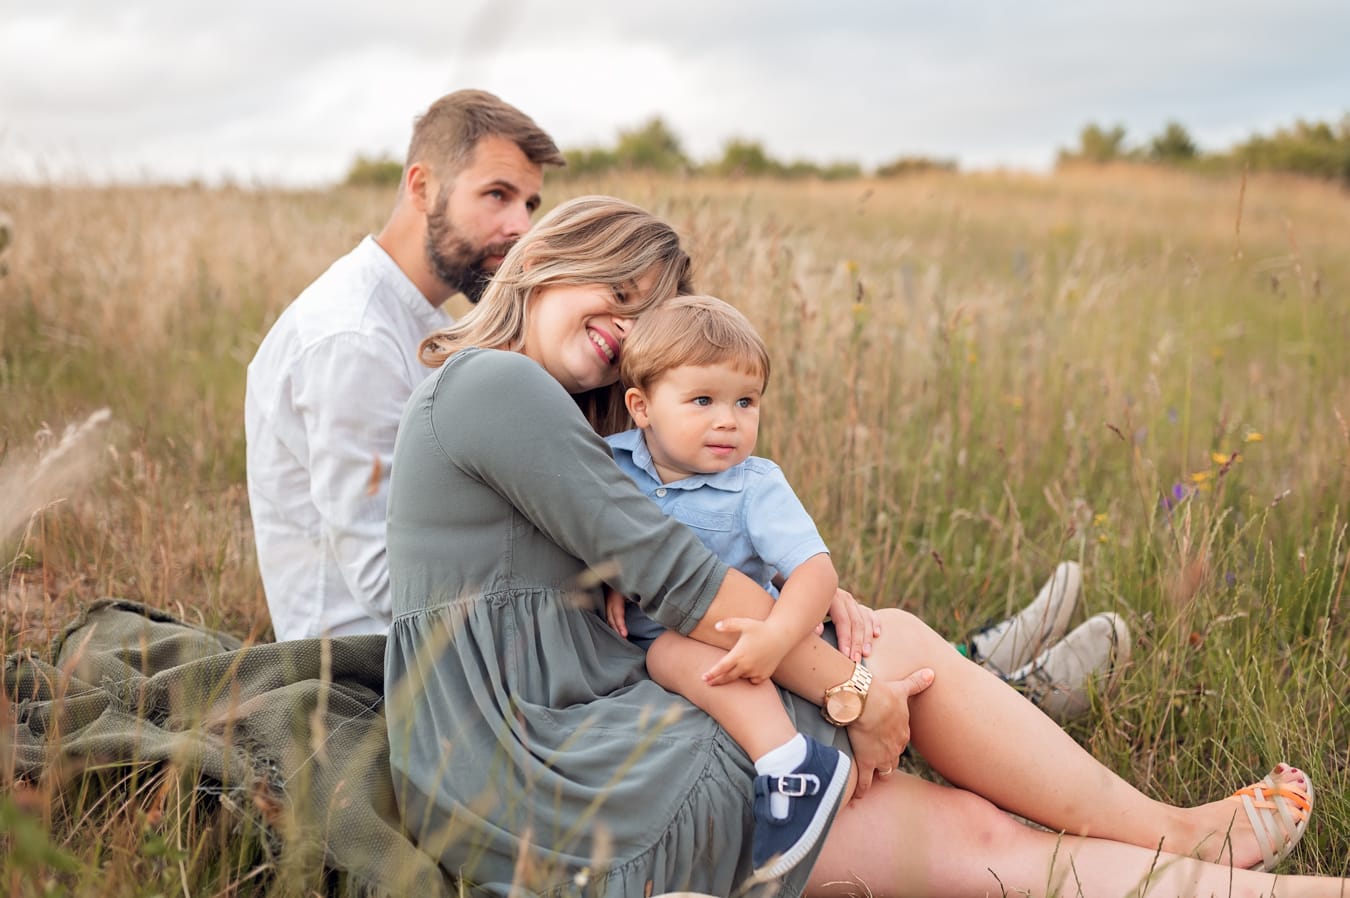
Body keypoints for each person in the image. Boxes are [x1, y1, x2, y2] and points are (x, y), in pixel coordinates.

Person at [383, 195, 1326, 898]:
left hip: (544, 784)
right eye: (618, 289)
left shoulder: (554, 417)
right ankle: (1174, 830)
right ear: (546, 260)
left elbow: (674, 568)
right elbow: (673, 575)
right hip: (556, 773)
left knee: (970, 833)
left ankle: (1240, 871)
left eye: (649, 317)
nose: (627, 325)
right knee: (896, 654)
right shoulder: (491, 387)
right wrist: (849, 687)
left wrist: (812, 609)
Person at [245, 89, 564, 640]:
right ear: (422, 187)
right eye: (497, 194)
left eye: (529, 204)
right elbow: (383, 583)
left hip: (440, 635)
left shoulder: (430, 321)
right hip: (362, 665)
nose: (521, 227)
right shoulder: (355, 339)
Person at [603, 295, 852, 881]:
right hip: (620, 658)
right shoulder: (610, 466)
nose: (728, 420)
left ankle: (789, 763)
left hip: (724, 638)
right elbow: (584, 531)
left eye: (745, 402)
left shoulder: (754, 487)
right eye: (703, 401)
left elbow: (815, 571)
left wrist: (776, 636)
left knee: (671, 650)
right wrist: (610, 575)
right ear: (641, 406)